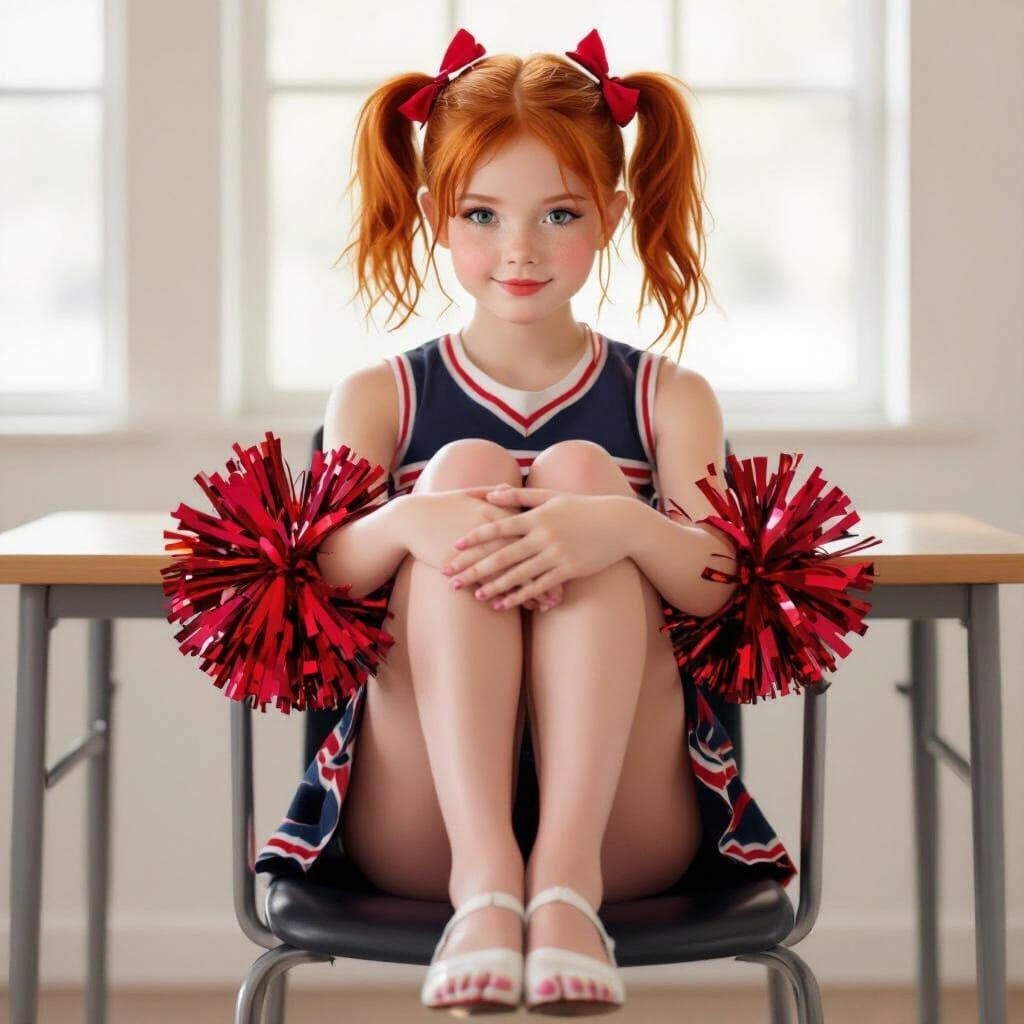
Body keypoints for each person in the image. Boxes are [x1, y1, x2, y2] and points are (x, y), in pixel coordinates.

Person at [255, 27, 796, 1016]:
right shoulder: (381, 396)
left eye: (557, 213)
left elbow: (731, 587)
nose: (519, 248)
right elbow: (313, 581)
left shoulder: (669, 397)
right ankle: (486, 886)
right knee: (456, 471)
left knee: (586, 473)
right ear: (432, 216)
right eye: (481, 213)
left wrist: (621, 529)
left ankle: (562, 887)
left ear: (610, 215)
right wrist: (411, 521)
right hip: (418, 822)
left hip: (626, 825)